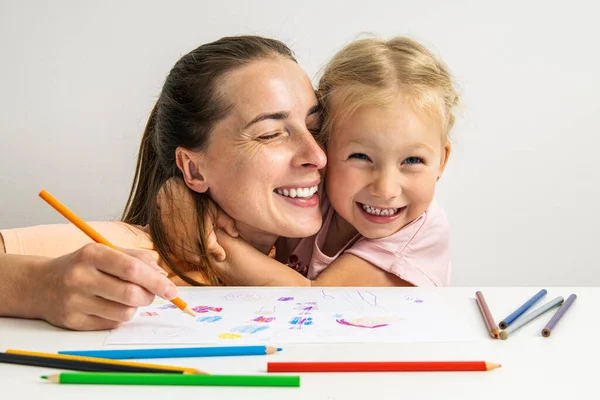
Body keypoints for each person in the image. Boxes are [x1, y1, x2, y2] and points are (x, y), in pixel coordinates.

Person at [0, 35, 327, 330]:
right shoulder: (130, 254)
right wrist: (39, 286)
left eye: (315, 127)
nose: (317, 155)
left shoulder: (323, 247)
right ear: (194, 171)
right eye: (270, 134)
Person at [207, 36, 459, 287]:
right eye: (360, 157)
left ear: (442, 161)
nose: (385, 189)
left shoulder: (421, 233)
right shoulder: (307, 195)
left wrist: (201, 236)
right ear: (322, 146)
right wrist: (180, 202)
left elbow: (314, 298)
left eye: (412, 160)